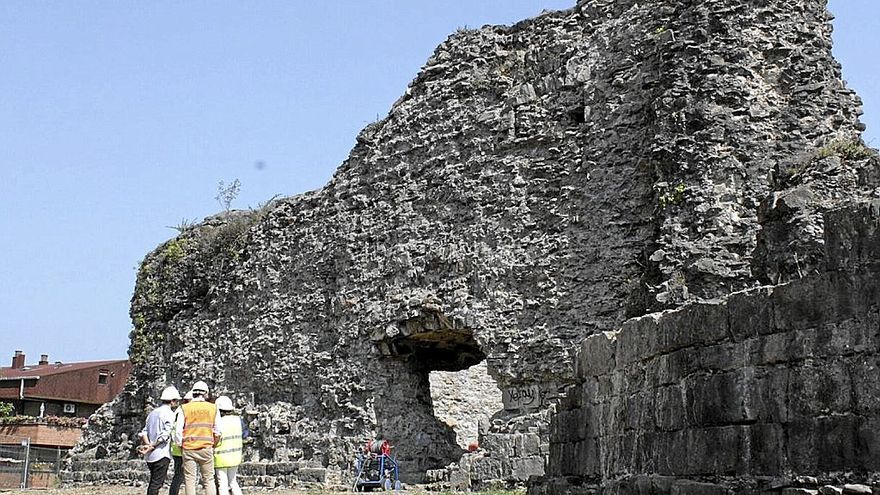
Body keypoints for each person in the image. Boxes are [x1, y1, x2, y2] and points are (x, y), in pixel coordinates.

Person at [174, 381, 221, 495]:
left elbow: (178, 431)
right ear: (205, 394)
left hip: (189, 448)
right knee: (209, 479)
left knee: (190, 480)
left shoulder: (184, 408)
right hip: (206, 447)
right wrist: (213, 443)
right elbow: (218, 431)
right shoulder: (213, 408)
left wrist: (181, 445)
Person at [139, 386, 181, 495]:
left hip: (150, 456)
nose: (178, 403)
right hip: (161, 454)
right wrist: (152, 445)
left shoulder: (152, 413)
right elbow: (165, 436)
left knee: (153, 482)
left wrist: (148, 445)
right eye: (177, 401)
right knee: (156, 484)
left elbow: (144, 432)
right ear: (172, 401)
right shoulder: (170, 414)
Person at [213, 396, 249, 495]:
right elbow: (245, 434)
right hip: (235, 456)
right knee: (233, 482)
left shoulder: (218, 422)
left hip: (220, 457)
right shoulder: (238, 420)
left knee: (222, 484)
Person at [168, 389, 194, 495]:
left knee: (179, 475)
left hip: (177, 447)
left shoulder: (179, 411)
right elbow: (179, 430)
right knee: (180, 475)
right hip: (181, 448)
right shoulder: (183, 411)